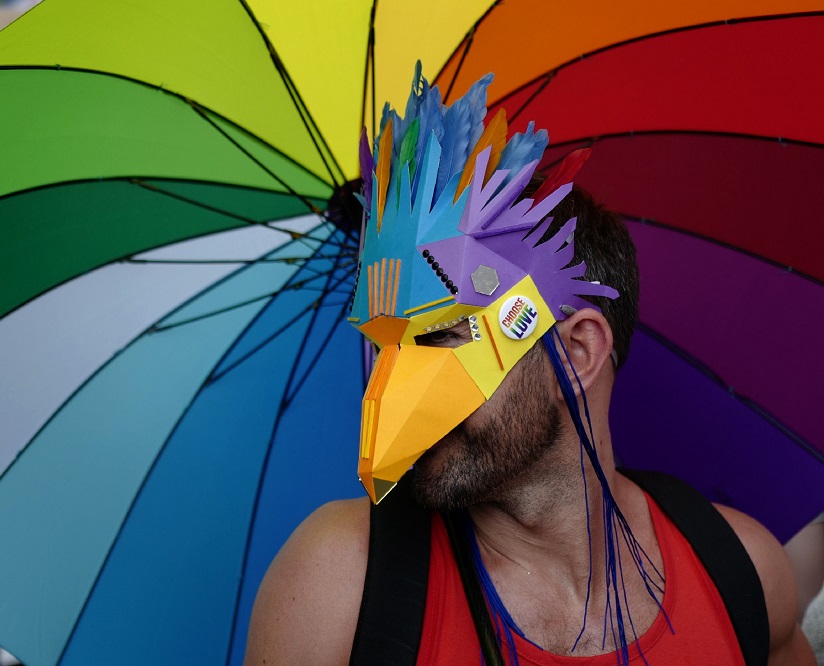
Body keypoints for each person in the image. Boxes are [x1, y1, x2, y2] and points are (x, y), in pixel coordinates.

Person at [245, 68, 813, 664]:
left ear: (577, 351)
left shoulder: (741, 569)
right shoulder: (338, 586)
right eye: (382, 346)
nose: (391, 397)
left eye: (441, 334)